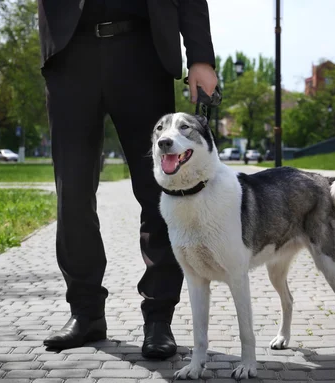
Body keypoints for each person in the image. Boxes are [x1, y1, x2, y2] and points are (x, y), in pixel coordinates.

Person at [37, 0, 218, 359]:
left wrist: (201, 57)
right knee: (71, 193)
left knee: (159, 193)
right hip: (71, 53)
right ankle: (85, 313)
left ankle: (158, 319)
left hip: (143, 51)